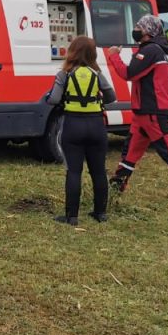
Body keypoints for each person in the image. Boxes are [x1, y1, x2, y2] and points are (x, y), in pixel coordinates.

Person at [107, 14, 168, 211]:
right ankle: (116, 187)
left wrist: (113, 56)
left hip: (151, 113)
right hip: (144, 113)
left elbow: (129, 73)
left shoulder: (151, 50)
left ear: (148, 31)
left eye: (138, 26)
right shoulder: (156, 50)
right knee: (129, 154)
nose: (135, 29)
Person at [44, 36, 116, 226]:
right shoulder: (96, 73)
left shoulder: (64, 74)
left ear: (72, 51)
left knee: (74, 171)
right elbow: (111, 96)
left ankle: (71, 216)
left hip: (73, 125)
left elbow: (53, 100)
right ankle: (100, 213)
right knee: (99, 171)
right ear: (93, 53)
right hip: (96, 125)